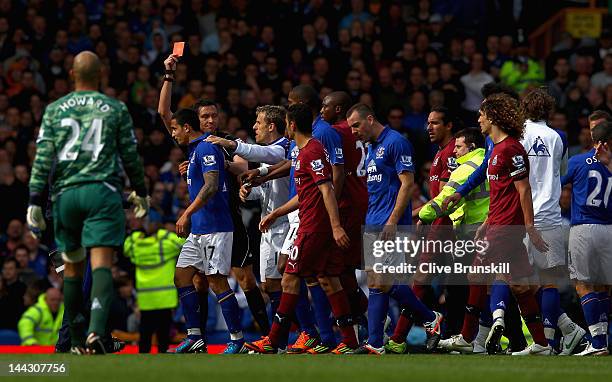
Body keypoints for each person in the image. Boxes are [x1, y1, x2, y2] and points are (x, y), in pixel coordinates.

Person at [26, 51, 149, 355]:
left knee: (74, 273)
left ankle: (81, 339)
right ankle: (93, 334)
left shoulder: (55, 110)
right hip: (101, 193)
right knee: (101, 267)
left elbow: (41, 160)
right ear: (101, 74)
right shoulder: (114, 108)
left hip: (65, 198)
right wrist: (140, 191)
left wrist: (34, 201)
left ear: (72, 74)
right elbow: (130, 156)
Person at [160, 54, 269, 345]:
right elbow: (164, 113)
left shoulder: (221, 142)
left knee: (243, 279)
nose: (210, 120)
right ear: (194, 122)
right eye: (205, 117)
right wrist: (169, 75)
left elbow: (246, 168)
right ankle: (198, 338)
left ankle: (268, 337)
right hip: (203, 221)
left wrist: (221, 164)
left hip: (227, 217)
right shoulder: (194, 146)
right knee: (195, 279)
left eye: (214, 116)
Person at [244, 103, 358, 354]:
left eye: (286, 122)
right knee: (328, 280)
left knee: (288, 278)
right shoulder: (302, 151)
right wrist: (276, 212)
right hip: (315, 224)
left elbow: (326, 189)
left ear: (292, 125)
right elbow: (305, 194)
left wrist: (336, 226)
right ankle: (350, 342)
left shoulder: (312, 151)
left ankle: (275, 339)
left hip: (312, 227)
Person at [346, 103, 443, 355]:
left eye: (356, 125)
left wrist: (392, 220)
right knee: (376, 283)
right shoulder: (372, 147)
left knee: (384, 281)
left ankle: (430, 318)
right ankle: (376, 343)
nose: (353, 131)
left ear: (370, 119)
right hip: (374, 220)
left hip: (391, 223)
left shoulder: (396, 142)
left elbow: (407, 184)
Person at [160, 108, 244, 354]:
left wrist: (186, 213)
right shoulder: (195, 150)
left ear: (187, 128)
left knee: (216, 281)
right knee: (182, 276)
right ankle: (194, 336)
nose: (173, 134)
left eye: (175, 129)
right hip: (200, 229)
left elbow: (211, 186)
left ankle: (237, 339)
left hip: (215, 227)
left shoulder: (206, 147)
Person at [474, 93, 551, 356]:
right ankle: (541, 343)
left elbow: (523, 189)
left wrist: (529, 226)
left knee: (475, 273)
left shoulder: (512, 149)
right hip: (496, 224)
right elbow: (501, 193)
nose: (479, 119)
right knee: (520, 286)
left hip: (507, 228)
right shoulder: (495, 150)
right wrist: (485, 221)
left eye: (482, 115)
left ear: (493, 117)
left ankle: (468, 336)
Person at [519, 88, 584, 355]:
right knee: (547, 282)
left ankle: (544, 343)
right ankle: (559, 334)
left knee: (515, 281)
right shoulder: (559, 137)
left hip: (522, 215)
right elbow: (563, 172)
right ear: (549, 111)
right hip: (551, 215)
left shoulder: (518, 134)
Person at [420, 128, 491, 354]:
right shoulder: (488, 161)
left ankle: (456, 335)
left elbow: (443, 200)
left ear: (470, 147)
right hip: (490, 227)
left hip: (471, 231)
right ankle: (491, 337)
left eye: (459, 147)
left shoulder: (465, 168)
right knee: (487, 285)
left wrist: (422, 214)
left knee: (457, 286)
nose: (455, 152)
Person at [561, 115, 612, 356]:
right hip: (609, 230)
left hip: (583, 228)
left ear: (595, 139)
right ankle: (602, 340)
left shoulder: (579, 161)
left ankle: (598, 342)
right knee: (602, 286)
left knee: (582, 284)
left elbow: (556, 184)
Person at [320, 91, 369, 335]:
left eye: (325, 106)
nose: (321, 111)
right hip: (364, 197)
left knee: (338, 267)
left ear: (338, 109)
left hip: (347, 202)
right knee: (350, 266)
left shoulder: (336, 132)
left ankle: (363, 315)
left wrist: (331, 209)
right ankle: (360, 317)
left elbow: (336, 172)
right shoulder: (359, 131)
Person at [124, 217, 183, 354]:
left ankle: (143, 355)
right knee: (164, 332)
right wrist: (164, 233)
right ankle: (163, 353)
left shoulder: (137, 245)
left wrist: (138, 233)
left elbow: (127, 246)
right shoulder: (165, 244)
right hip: (165, 297)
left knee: (145, 330)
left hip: (146, 297)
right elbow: (182, 243)